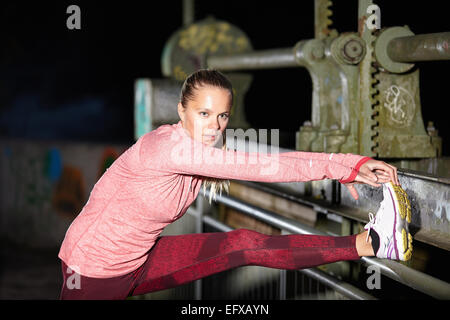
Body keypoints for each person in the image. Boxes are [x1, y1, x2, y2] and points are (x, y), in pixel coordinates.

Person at [58, 69, 412, 300]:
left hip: (139, 257)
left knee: (243, 244)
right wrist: (344, 165)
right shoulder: (170, 149)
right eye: (203, 114)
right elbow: (264, 166)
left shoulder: (201, 148)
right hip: (93, 270)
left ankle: (372, 243)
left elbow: (245, 158)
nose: (214, 126)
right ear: (181, 111)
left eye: (222, 116)